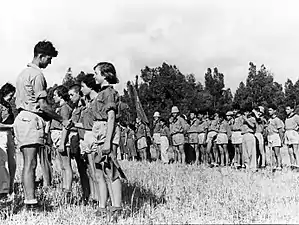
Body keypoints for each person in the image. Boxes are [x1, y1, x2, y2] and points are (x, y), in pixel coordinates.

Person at [14, 40, 71, 210]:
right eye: (49, 58)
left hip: (22, 118)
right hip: (31, 119)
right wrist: (62, 120)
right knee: (31, 164)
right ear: (41, 56)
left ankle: (29, 200)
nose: (50, 62)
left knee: (28, 164)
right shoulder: (37, 75)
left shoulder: (23, 73)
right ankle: (30, 203)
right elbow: (44, 105)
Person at [90, 62, 125, 219]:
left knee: (111, 170)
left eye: (96, 73)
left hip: (106, 131)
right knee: (102, 169)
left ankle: (116, 207)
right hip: (100, 131)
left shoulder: (109, 93)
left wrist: (107, 142)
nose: (94, 76)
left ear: (105, 75)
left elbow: (111, 117)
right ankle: (104, 207)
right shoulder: (102, 93)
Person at [50, 85, 75, 202]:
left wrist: (62, 143)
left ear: (60, 95)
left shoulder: (64, 108)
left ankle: (68, 188)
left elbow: (65, 125)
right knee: (62, 165)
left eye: (55, 95)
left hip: (61, 137)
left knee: (66, 164)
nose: (53, 97)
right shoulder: (60, 108)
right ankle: (65, 187)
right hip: (57, 137)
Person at [68, 84, 90, 205]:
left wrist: (73, 124)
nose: (70, 98)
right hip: (77, 140)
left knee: (89, 170)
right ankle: (86, 194)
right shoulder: (75, 109)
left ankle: (93, 195)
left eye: (72, 95)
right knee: (82, 170)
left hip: (85, 138)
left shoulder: (85, 108)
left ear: (79, 94)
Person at [0, 83, 16, 202]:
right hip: (1, 134)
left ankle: (10, 187)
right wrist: (11, 125)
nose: (12, 97)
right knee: (3, 162)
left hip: (9, 134)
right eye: (11, 95)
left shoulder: (8, 105)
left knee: (12, 162)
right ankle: (3, 190)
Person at [267, 104, 284, 171]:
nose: (269, 111)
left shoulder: (277, 120)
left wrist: (281, 139)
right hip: (270, 136)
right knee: (272, 153)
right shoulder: (269, 120)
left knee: (277, 153)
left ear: (274, 111)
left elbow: (280, 131)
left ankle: (279, 166)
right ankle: (273, 166)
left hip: (275, 136)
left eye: (270, 110)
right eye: (268, 110)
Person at [241, 106, 257, 171]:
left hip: (250, 134)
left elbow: (253, 126)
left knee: (251, 152)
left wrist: (246, 120)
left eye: (247, 112)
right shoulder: (243, 119)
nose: (245, 113)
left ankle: (253, 167)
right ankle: (247, 166)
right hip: (244, 135)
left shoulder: (252, 118)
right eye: (245, 112)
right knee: (245, 153)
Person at [284, 104, 299, 169]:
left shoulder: (296, 116)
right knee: (290, 151)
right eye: (286, 109)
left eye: (288, 109)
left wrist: (297, 128)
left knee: (295, 151)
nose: (286, 110)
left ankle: (298, 165)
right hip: (287, 133)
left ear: (292, 109)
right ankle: (292, 165)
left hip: (293, 134)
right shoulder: (287, 117)